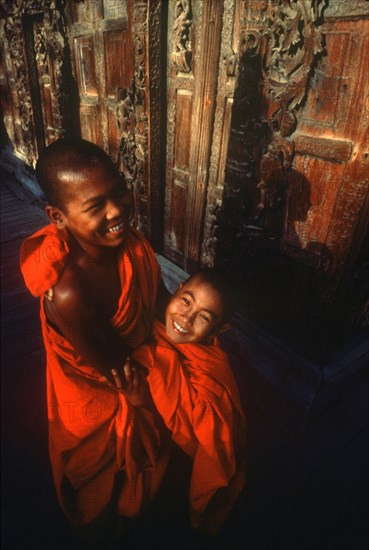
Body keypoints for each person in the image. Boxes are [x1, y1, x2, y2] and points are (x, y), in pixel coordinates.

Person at [20, 138, 170, 545]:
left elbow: (159, 300)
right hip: (104, 387)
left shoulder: (129, 244)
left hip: (132, 359)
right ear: (59, 216)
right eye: (95, 206)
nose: (117, 210)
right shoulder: (70, 291)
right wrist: (162, 397)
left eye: (119, 190)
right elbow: (117, 372)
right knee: (108, 477)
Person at [125, 268, 246, 536]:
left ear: (221, 328)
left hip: (181, 462)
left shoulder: (211, 370)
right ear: (177, 289)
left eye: (204, 317)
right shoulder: (152, 322)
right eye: (187, 301)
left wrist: (142, 401)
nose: (186, 318)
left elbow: (206, 442)